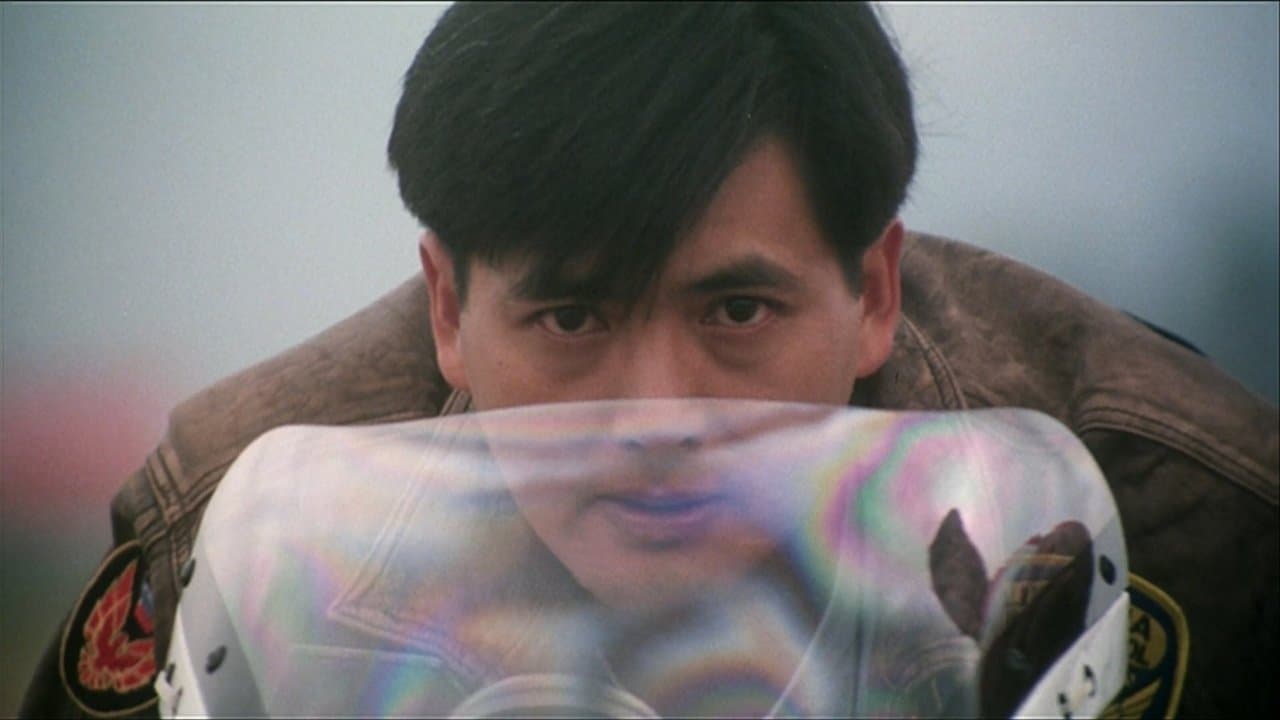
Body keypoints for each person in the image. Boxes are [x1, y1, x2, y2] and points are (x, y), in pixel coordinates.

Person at [21, 3, 1276, 718]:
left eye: (736, 310)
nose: (657, 415)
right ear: (447, 308)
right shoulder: (234, 536)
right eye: (572, 317)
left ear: (873, 291)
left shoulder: (1184, 515)